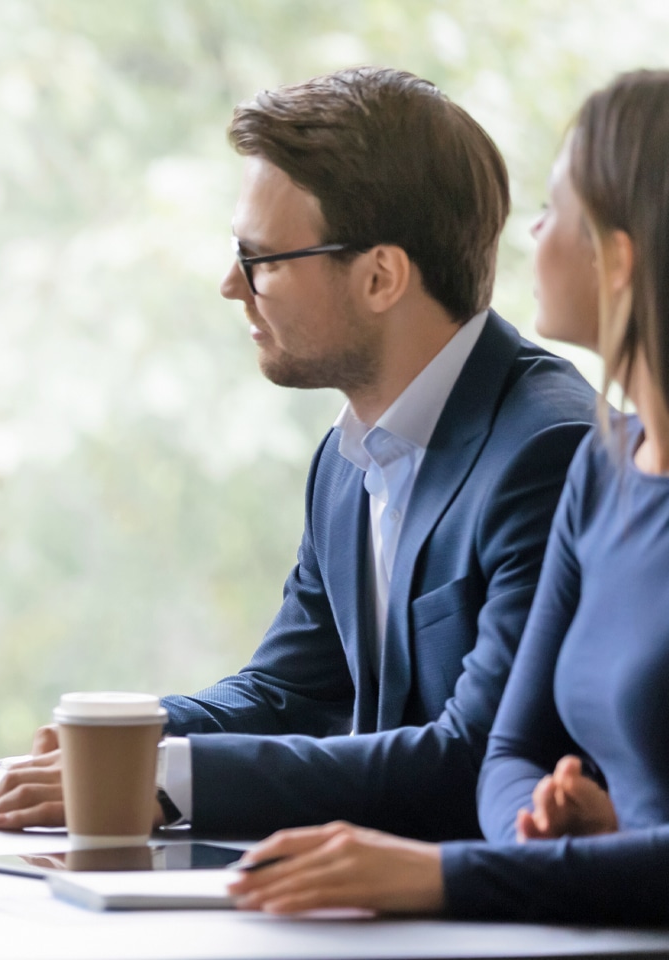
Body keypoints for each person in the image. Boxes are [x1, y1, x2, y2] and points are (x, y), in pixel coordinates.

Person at [0, 67, 598, 839]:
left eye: (260, 256)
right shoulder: (348, 458)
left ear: (379, 277)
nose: (230, 284)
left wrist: (160, 777)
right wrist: (117, 738)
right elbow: (286, 692)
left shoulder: (550, 450)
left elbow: (472, 757)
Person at [228, 69, 669, 926]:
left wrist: (442, 876)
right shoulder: (605, 469)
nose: (529, 236)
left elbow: (468, 751)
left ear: (617, 257)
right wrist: (543, 837)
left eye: (553, 211)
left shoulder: (550, 443)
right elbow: (513, 750)